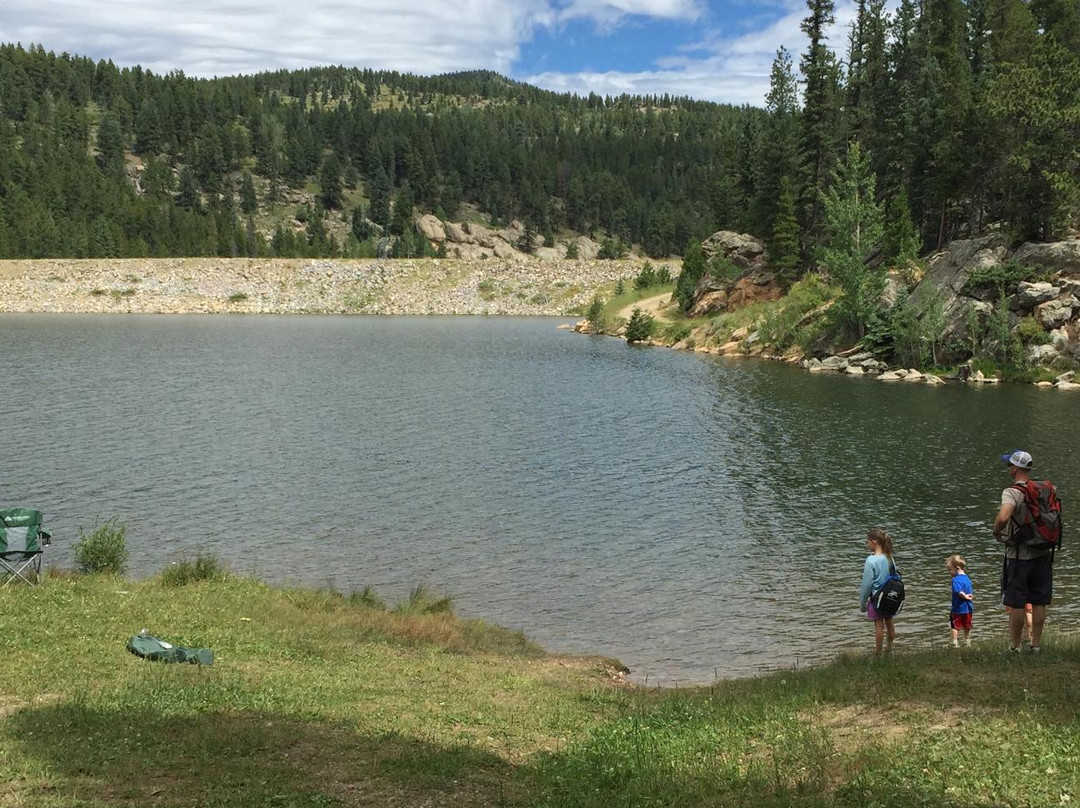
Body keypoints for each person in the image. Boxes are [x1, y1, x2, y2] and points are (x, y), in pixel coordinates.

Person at [993, 449, 1052, 653]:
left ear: (1016, 468)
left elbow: (1003, 517)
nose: (1008, 467)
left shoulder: (1012, 491)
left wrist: (996, 532)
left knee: (1016, 602)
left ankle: (1015, 647)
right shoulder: (1043, 489)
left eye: (1009, 464)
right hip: (1043, 552)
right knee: (1039, 600)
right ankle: (1035, 645)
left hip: (1019, 555)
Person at [859, 528, 898, 657]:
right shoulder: (890, 558)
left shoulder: (871, 560)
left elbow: (867, 584)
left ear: (874, 542)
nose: (867, 545)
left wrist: (863, 603)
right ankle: (889, 649)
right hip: (890, 597)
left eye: (868, 542)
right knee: (889, 621)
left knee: (878, 625)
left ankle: (878, 653)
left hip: (877, 598)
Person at [946, 554, 974, 647]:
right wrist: (968, 596)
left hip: (957, 608)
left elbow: (959, 592)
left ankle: (954, 642)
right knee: (967, 625)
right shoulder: (967, 579)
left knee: (954, 626)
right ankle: (967, 641)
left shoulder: (956, 580)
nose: (949, 572)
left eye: (950, 569)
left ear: (957, 568)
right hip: (968, 608)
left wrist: (965, 596)